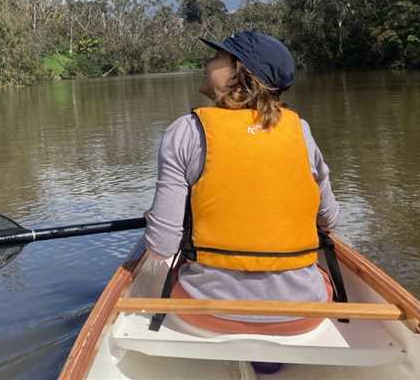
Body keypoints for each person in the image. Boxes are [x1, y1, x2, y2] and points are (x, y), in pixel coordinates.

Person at [144, 31, 341, 346]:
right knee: (321, 277)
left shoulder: (184, 132)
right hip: (302, 315)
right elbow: (329, 221)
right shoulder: (300, 131)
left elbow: (161, 247)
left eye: (217, 57)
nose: (207, 62)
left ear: (238, 72)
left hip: (208, 314)